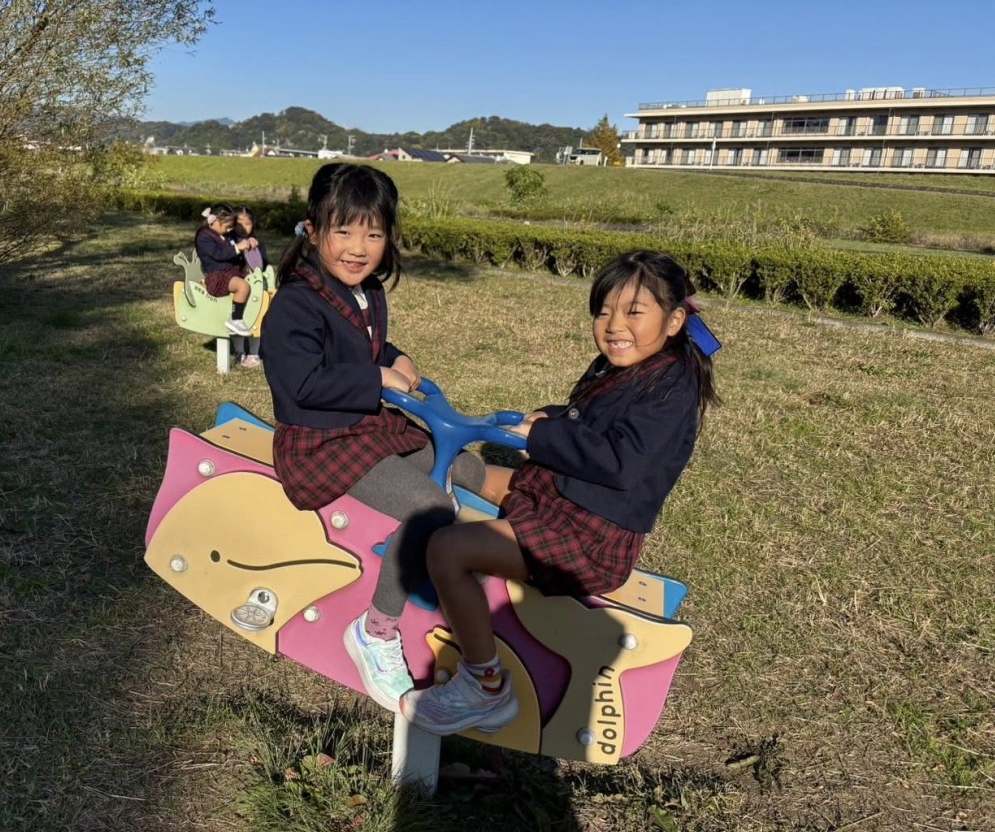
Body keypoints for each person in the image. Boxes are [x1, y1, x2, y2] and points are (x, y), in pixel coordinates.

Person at [401, 249, 721, 735]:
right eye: (603, 312)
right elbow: (590, 422)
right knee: (470, 471)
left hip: (588, 536)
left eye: (634, 312)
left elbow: (620, 462)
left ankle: (484, 686)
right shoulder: (628, 365)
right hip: (562, 500)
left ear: (675, 320)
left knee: (448, 549)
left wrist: (545, 437)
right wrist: (551, 417)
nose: (614, 326)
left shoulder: (670, 389)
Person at [260, 162, 497, 713]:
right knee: (429, 505)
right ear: (313, 230)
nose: (358, 248)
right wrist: (376, 379)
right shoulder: (295, 304)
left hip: (366, 427)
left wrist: (396, 357)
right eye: (343, 231)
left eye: (373, 234)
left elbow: (362, 348)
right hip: (321, 442)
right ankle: (377, 630)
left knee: (461, 466)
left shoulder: (365, 292)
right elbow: (302, 383)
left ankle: (468, 557)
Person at [194, 202, 253, 337]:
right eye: (227, 227)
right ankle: (235, 319)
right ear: (214, 222)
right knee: (243, 286)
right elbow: (219, 254)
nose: (230, 230)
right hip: (217, 276)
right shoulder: (204, 237)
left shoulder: (224, 235)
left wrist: (248, 243)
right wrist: (237, 247)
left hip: (229, 272)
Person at [231, 205, 268, 367]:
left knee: (255, 318)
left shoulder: (258, 244)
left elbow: (263, 265)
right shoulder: (229, 243)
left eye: (247, 223)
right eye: (239, 223)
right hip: (237, 288)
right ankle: (239, 351)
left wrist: (255, 251)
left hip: (255, 288)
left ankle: (254, 353)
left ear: (253, 225)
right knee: (237, 319)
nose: (243, 227)